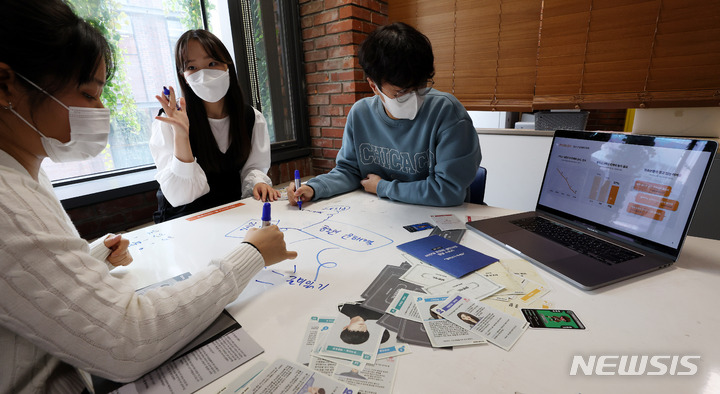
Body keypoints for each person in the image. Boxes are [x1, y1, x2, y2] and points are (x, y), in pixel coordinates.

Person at [0, 1, 296, 392]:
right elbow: (127, 340)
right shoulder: (11, 199)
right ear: (6, 86)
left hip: (227, 223)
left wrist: (87, 260)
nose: (101, 109)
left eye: (213, 63)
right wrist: (251, 254)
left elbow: (31, 277)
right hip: (190, 232)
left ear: (228, 66)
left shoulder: (27, 175)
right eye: (89, 95)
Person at [288, 22, 481, 207]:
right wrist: (313, 187)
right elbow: (349, 171)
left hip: (439, 218)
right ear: (374, 85)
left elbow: (448, 191)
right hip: (381, 216)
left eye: (421, 86)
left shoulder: (448, 114)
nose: (414, 97)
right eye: (401, 92)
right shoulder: (360, 114)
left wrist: (383, 187)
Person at [150, 29, 279, 223]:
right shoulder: (170, 120)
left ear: (228, 66)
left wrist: (257, 183)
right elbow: (180, 196)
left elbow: (253, 167)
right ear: (184, 75)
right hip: (185, 220)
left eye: (212, 63)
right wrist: (181, 133)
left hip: (231, 213)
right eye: (192, 67)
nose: (203, 75)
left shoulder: (251, 117)